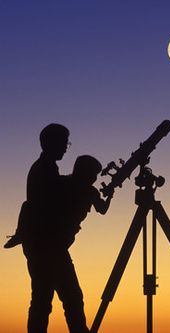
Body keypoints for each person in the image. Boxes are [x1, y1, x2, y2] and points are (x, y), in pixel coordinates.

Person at [6, 123, 90, 333]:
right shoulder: (44, 169)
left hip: (43, 247)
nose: (65, 148)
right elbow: (54, 200)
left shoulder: (45, 168)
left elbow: (57, 188)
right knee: (67, 299)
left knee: (45, 301)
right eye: (64, 143)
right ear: (51, 143)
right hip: (48, 248)